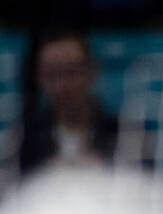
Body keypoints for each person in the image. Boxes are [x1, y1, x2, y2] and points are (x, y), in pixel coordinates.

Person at [13, 31, 118, 177]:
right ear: (39, 79)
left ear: (92, 72)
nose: (62, 85)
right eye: (52, 74)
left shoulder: (121, 135)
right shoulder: (23, 139)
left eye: (71, 72)